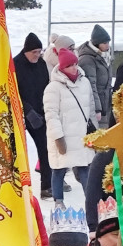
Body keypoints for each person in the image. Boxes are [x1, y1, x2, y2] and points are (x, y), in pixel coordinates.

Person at [43, 48, 95, 206]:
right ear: (62, 68)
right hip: (63, 136)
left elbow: (90, 107)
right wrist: (58, 138)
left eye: (75, 64)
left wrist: (95, 132)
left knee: (85, 168)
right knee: (59, 169)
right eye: (69, 65)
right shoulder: (53, 88)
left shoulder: (84, 82)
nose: (74, 67)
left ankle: (90, 201)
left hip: (82, 135)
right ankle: (59, 202)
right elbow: (51, 115)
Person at [13, 32, 53, 198]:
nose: (37, 55)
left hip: (40, 112)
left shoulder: (41, 63)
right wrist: (27, 110)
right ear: (26, 51)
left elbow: (46, 86)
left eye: (39, 52)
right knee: (18, 151)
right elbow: (14, 91)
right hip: (20, 112)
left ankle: (46, 186)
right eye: (34, 52)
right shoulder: (16, 64)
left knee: (45, 147)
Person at [76, 24, 112, 127]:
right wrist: (97, 108)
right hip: (96, 107)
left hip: (105, 103)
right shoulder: (87, 59)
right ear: (96, 43)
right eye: (104, 43)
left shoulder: (105, 56)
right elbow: (90, 85)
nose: (107, 45)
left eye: (108, 42)